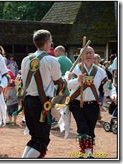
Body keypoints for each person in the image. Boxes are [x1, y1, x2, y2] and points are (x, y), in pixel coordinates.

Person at [21, 29, 65, 158]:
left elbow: (24, 82)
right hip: (42, 104)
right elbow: (58, 82)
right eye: (51, 41)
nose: (51, 44)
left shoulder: (25, 59)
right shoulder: (51, 60)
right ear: (47, 42)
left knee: (35, 138)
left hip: (28, 101)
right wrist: (67, 78)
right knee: (42, 140)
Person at [66, 46, 117, 158]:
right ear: (81, 57)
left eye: (90, 53)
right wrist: (77, 80)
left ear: (94, 56)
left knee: (90, 129)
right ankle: (85, 152)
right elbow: (68, 85)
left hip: (93, 104)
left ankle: (87, 152)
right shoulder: (75, 69)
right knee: (82, 128)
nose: (88, 55)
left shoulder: (100, 71)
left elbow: (108, 86)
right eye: (86, 53)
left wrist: (113, 94)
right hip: (77, 104)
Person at [51, 45, 72, 132]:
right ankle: (64, 123)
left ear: (59, 51)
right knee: (64, 107)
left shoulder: (57, 60)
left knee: (51, 105)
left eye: (55, 52)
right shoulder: (70, 61)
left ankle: (59, 122)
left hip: (59, 87)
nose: (54, 54)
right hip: (68, 87)